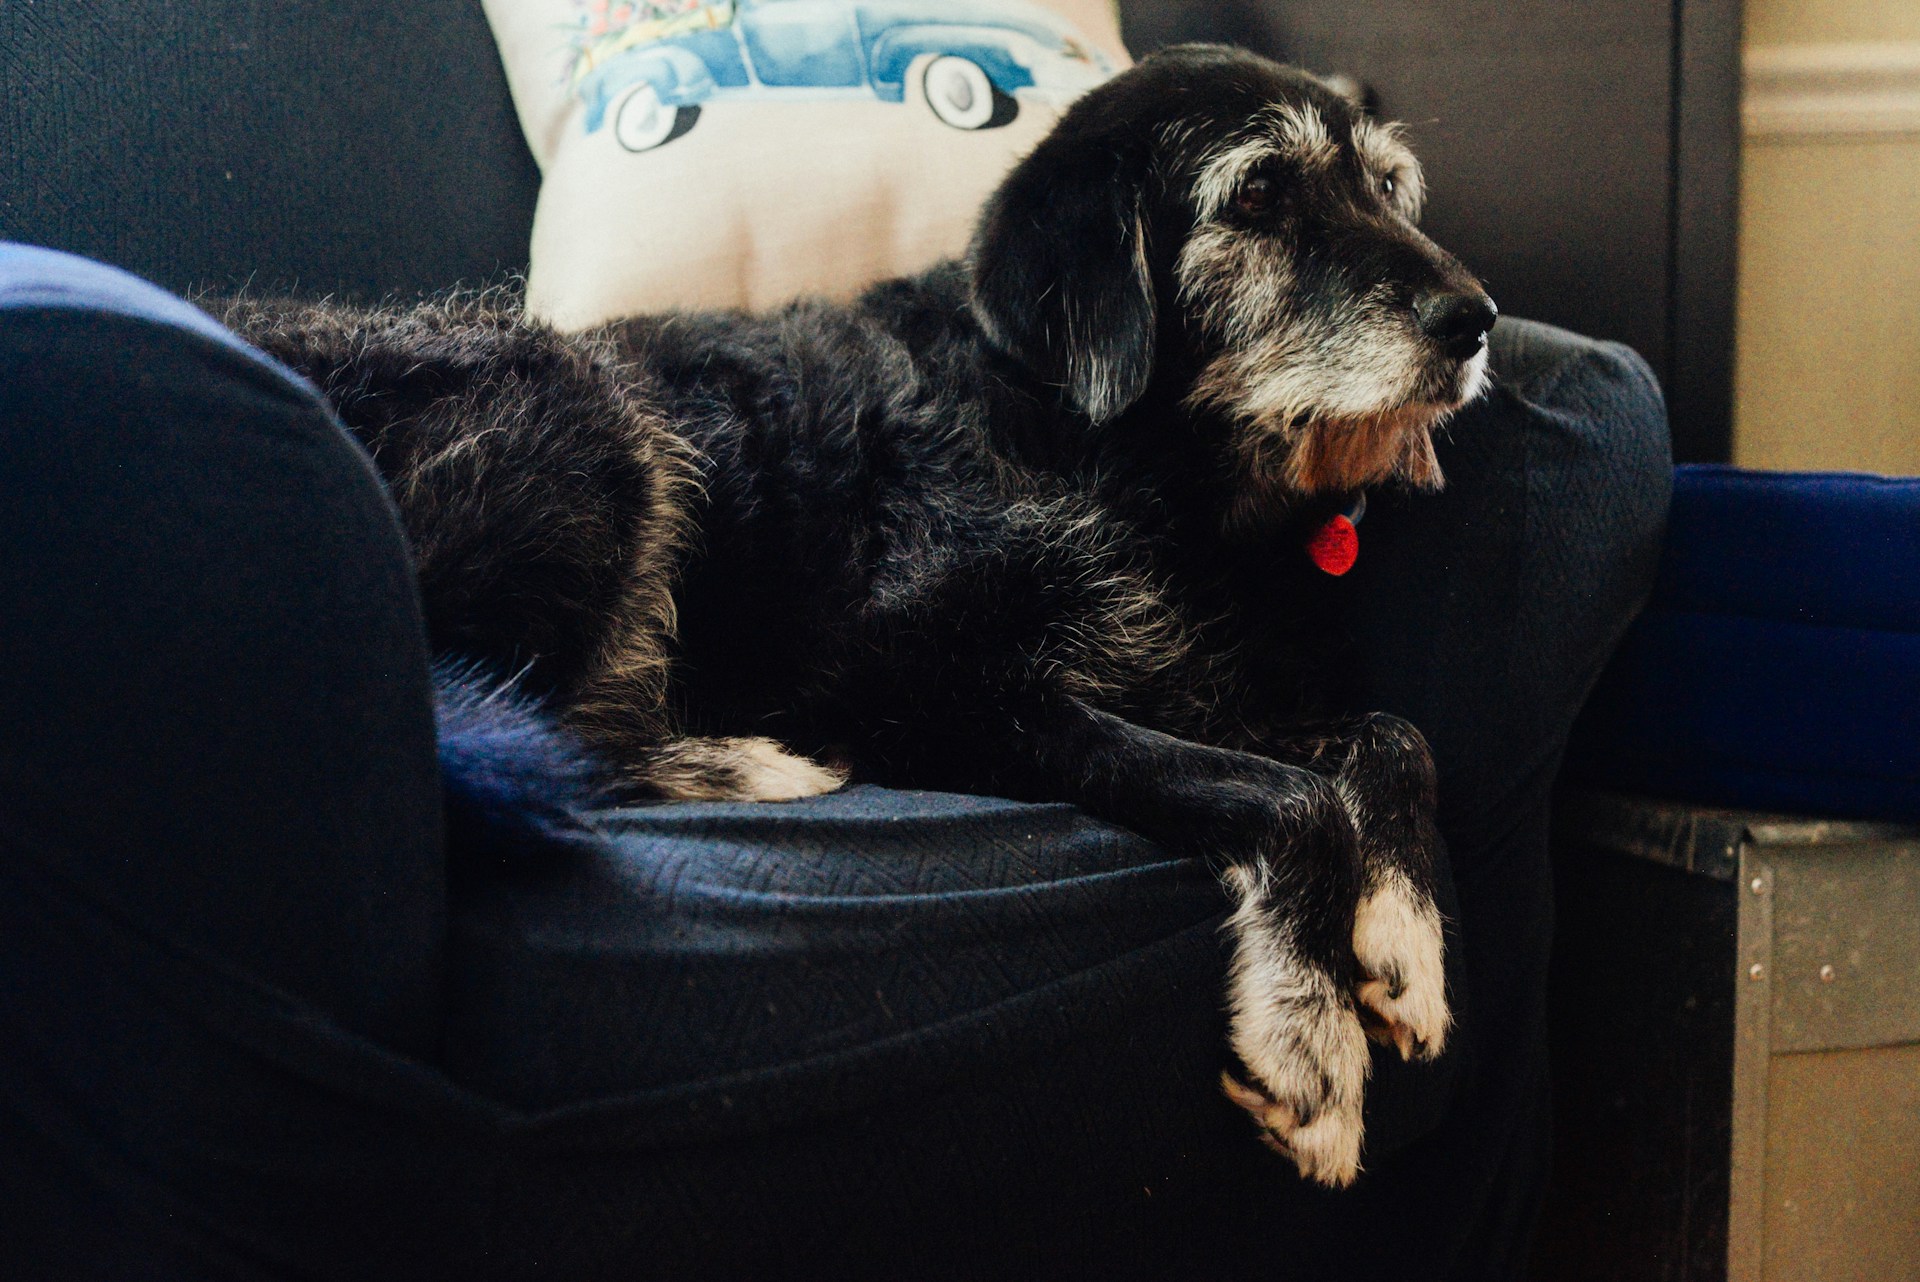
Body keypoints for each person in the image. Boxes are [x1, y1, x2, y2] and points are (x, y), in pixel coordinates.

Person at [0, 242, 1668, 1280]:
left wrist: (1355, 795)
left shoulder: (1161, 504)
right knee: (568, 430)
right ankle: (554, 733)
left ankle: (600, 743)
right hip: (406, 495)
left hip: (685, 628)